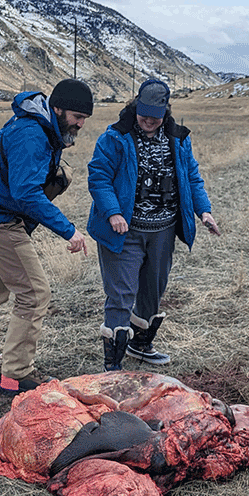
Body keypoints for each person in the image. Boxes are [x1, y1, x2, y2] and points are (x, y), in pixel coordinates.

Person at [0, 78, 92, 395]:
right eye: (77, 117)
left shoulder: (42, 127)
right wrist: (69, 230)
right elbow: (26, 193)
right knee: (34, 294)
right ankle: (17, 373)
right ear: (58, 108)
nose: (80, 124)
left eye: (84, 119)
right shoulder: (31, 133)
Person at [87, 79, 219, 370]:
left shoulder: (179, 138)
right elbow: (98, 177)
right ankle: (113, 365)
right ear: (136, 107)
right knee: (121, 294)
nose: (148, 121)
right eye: (143, 114)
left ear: (165, 113)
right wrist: (112, 212)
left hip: (162, 230)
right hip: (124, 230)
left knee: (153, 291)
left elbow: (192, 178)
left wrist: (204, 211)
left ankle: (140, 346)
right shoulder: (115, 137)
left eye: (155, 117)